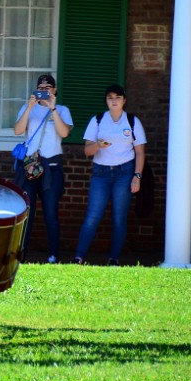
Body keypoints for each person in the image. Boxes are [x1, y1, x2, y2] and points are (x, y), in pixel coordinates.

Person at [74, 84, 147, 265]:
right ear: (106, 101)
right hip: (101, 173)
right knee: (92, 216)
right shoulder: (98, 120)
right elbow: (87, 151)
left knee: (119, 217)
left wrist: (137, 177)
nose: (114, 101)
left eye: (118, 97)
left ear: (124, 100)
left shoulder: (132, 121)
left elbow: (140, 152)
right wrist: (98, 145)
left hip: (125, 172)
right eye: (110, 97)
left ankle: (114, 259)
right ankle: (78, 257)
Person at [13, 74, 73, 263]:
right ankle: (21, 252)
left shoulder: (62, 110)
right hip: (30, 168)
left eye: (48, 88)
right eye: (41, 87)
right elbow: (17, 131)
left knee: (50, 212)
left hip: (51, 167)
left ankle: (54, 254)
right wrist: (30, 106)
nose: (44, 90)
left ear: (54, 90)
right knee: (27, 211)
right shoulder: (27, 108)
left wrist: (52, 108)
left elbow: (64, 132)